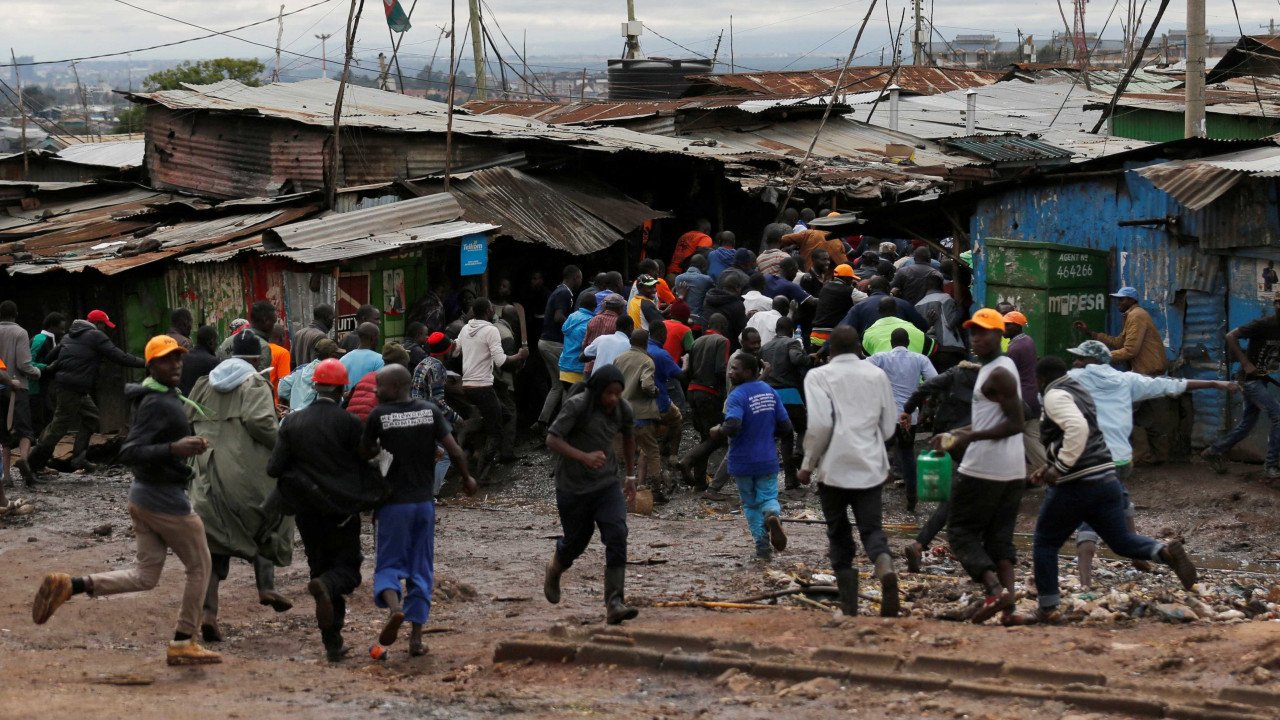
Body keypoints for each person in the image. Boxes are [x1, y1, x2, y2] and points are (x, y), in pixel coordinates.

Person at [31, 335, 220, 666]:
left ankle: (71, 585)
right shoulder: (157, 402)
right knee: (201, 566)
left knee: (146, 576)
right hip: (165, 500)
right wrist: (174, 449)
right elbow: (130, 451)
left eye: (177, 358)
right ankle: (182, 642)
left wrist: (179, 447)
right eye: (166, 359)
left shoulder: (160, 395)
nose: (175, 364)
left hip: (145, 496)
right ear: (151, 365)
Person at [1017, 356, 1199, 625]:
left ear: (1042, 380)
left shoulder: (1055, 395)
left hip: (1077, 485)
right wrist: (1048, 468)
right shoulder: (1080, 391)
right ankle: (1164, 552)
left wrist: (1060, 468)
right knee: (1121, 541)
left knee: (1045, 542)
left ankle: (1048, 608)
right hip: (1107, 478)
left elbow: (1076, 429)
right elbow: (1081, 435)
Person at [1067, 339, 1238, 585]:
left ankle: (1084, 584)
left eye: (1080, 358)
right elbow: (1168, 386)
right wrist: (1214, 382)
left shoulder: (1074, 379)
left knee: (1090, 513)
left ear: (1089, 361)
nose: (1076, 361)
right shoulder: (1127, 380)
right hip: (1121, 460)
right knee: (1119, 496)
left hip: (1091, 459)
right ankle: (1138, 556)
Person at [187, 330, 292, 643]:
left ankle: (208, 614)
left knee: (213, 542)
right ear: (258, 359)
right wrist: (284, 447)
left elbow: (187, 416)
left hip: (206, 471)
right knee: (269, 520)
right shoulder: (255, 383)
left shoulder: (204, 383)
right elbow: (261, 422)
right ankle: (267, 586)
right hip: (244, 471)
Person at [363, 364, 475, 656]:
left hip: (392, 506)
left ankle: (395, 609)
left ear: (397, 386)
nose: (375, 390)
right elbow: (453, 449)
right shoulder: (430, 411)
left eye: (380, 386)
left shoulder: (379, 416)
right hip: (424, 504)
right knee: (420, 569)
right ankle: (415, 639)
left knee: (388, 565)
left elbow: (364, 453)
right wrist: (467, 478)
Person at [267, 358, 369, 661]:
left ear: (314, 385)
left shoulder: (292, 422)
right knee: (347, 571)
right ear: (342, 389)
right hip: (341, 511)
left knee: (320, 567)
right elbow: (364, 461)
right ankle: (325, 591)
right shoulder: (349, 423)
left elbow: (274, 468)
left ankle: (332, 643)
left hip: (306, 512)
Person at [932, 308, 1025, 625]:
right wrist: (957, 433)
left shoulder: (999, 372)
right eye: (974, 332)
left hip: (984, 468)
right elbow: (991, 418)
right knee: (999, 540)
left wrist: (969, 439)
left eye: (984, 332)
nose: (976, 338)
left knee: (960, 533)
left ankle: (994, 590)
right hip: (1011, 470)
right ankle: (1008, 609)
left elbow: (1016, 423)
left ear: (1000, 335)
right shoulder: (998, 367)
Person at [801, 325, 899, 615]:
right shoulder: (877, 374)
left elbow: (820, 425)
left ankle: (849, 607)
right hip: (870, 466)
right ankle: (884, 566)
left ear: (830, 350)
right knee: (871, 529)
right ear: (859, 348)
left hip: (834, 468)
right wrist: (871, 445)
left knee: (838, 531)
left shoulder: (818, 376)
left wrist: (807, 464)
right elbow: (888, 425)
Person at [542, 364, 639, 624]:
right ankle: (555, 568)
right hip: (572, 487)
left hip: (607, 485)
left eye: (618, 393)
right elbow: (552, 439)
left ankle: (614, 602)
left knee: (617, 534)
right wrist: (583, 457)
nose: (614, 399)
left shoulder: (622, 409)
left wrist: (630, 476)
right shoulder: (578, 405)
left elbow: (629, 437)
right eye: (609, 393)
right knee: (576, 542)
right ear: (597, 391)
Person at [29, 310, 145, 474]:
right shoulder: (96, 336)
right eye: (105, 325)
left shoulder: (70, 335)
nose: (105, 329)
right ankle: (33, 463)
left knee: (91, 417)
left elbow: (49, 358)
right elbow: (119, 356)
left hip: (72, 386)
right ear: (98, 324)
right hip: (70, 387)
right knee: (59, 426)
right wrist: (146, 363)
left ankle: (78, 458)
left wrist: (61, 364)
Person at [901, 359, 982, 572]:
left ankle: (929, 543)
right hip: (972, 438)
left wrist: (908, 410)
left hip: (946, 435)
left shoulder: (953, 373)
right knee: (964, 493)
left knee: (965, 491)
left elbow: (923, 388)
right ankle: (923, 543)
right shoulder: (989, 378)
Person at [1073, 286, 1171, 463]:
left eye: (1123, 299)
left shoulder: (1136, 316)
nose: (1119, 302)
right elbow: (1119, 342)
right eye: (1118, 299)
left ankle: (1139, 452)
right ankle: (1156, 454)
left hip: (1147, 374)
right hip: (1147, 373)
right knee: (1147, 417)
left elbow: (1130, 350)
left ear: (1132, 300)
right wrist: (1091, 333)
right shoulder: (1132, 316)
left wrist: (1098, 358)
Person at [715, 353, 792, 560]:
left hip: (742, 461)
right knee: (768, 497)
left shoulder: (737, 395)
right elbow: (786, 427)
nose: (730, 372)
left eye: (735, 369)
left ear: (748, 372)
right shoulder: (770, 392)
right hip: (767, 459)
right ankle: (772, 515)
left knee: (750, 505)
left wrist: (718, 430)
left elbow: (733, 425)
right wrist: (767, 435)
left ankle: (762, 546)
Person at [1203, 292, 1280, 479]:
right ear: (1277, 305)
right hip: (1249, 379)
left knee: (1247, 424)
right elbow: (1231, 336)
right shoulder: (1263, 324)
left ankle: (1213, 451)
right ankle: (1270, 465)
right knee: (1278, 416)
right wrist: (1245, 362)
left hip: (1261, 379)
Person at [869, 328, 937, 512]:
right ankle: (911, 497)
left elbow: (861, 369)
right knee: (907, 455)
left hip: (887, 417)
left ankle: (872, 497)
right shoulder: (920, 359)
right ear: (908, 342)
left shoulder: (881, 358)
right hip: (909, 418)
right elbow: (934, 380)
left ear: (892, 342)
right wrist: (920, 390)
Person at [458, 297, 529, 465]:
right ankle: (481, 470)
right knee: (496, 431)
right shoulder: (491, 331)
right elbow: (501, 361)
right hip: (483, 386)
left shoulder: (465, 329)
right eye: (491, 308)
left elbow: (455, 350)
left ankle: (474, 427)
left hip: (468, 385)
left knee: (504, 415)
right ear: (489, 311)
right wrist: (519, 355)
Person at [679, 314, 730, 489]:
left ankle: (700, 482)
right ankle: (688, 460)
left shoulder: (697, 341)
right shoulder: (722, 341)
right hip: (709, 392)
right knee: (716, 438)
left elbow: (690, 370)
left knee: (705, 437)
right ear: (723, 325)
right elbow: (720, 369)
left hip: (693, 391)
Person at [613, 329, 664, 499]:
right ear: (646, 343)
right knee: (651, 451)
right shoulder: (647, 361)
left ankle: (622, 492)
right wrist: (655, 391)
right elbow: (647, 385)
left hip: (620, 414)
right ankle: (656, 490)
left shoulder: (619, 359)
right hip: (641, 416)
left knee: (622, 456)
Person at [760, 316, 809, 490]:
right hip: (790, 395)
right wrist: (807, 358)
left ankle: (790, 480)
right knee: (803, 428)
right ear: (790, 330)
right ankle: (800, 453)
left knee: (785, 436)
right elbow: (796, 359)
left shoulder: (764, 347)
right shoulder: (792, 342)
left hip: (770, 396)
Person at [535, 265, 581, 431]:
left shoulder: (559, 291)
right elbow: (558, 316)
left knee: (557, 385)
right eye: (579, 278)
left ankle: (542, 422)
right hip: (554, 343)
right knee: (567, 381)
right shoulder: (564, 293)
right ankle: (563, 426)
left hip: (545, 343)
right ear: (575, 277)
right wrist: (574, 327)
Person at [0, 301, 41, 484]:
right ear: (16, 313)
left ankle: (6, 477)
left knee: (4, 434)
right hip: (17, 387)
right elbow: (24, 364)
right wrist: (38, 372)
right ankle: (24, 462)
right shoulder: (20, 332)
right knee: (25, 431)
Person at [1003, 310, 1045, 476]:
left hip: (1022, 399)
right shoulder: (1028, 341)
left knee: (1013, 438)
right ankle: (1046, 470)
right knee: (1032, 438)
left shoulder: (1015, 347)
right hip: (1034, 396)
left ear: (1015, 326)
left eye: (1006, 325)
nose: (1003, 328)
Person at [841, 277, 929, 337]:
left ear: (868, 291)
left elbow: (843, 330)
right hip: (900, 353)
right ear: (888, 289)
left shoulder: (859, 307)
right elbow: (922, 327)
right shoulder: (904, 304)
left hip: (869, 354)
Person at [278, 338, 345, 413]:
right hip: (314, 418)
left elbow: (282, 388)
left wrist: (295, 401)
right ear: (331, 355)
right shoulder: (329, 373)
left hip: (294, 416)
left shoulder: (302, 369)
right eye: (337, 355)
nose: (338, 358)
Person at [915, 273, 965, 372]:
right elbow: (951, 322)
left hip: (929, 349)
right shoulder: (946, 299)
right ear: (941, 285)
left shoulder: (917, 305)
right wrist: (960, 309)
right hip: (948, 348)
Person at [28, 311, 65, 438]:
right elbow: (28, 363)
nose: (63, 332)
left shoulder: (51, 341)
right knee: (39, 424)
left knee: (48, 419)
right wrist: (47, 368)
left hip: (42, 389)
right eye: (61, 329)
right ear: (52, 327)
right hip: (33, 389)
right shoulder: (40, 339)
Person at [861, 297, 932, 356]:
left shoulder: (868, 333)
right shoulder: (912, 328)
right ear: (896, 310)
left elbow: (866, 356)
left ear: (878, 311)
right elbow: (931, 347)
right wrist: (929, 323)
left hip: (883, 372)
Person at [217, 301, 276, 369]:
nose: (274, 327)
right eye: (274, 322)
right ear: (265, 321)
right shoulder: (263, 346)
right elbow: (261, 377)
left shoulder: (226, 343)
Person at [811, 264, 858, 349]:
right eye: (851, 279)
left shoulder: (825, 288)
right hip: (833, 335)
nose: (852, 281)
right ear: (847, 278)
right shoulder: (850, 291)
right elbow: (867, 300)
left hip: (815, 334)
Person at [558, 291, 598, 387]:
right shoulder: (591, 322)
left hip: (564, 369)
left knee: (569, 399)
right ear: (595, 306)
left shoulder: (571, 317)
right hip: (578, 370)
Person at [703, 271, 748, 350]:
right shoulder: (737, 304)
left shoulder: (708, 299)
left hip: (705, 341)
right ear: (737, 288)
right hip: (727, 346)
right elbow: (741, 330)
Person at [674, 254, 715, 331]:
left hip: (680, 320)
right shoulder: (706, 280)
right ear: (703, 266)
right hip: (697, 321)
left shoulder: (678, 278)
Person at [339, 322, 385, 391]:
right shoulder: (379, 359)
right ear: (373, 338)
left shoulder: (343, 360)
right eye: (378, 336)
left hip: (348, 401)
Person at [781, 226, 848, 270]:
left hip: (800, 273)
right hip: (819, 282)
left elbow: (784, 239)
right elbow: (846, 267)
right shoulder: (837, 244)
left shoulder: (809, 233)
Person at [291, 304, 335, 369]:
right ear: (328, 318)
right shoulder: (320, 336)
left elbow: (292, 363)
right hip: (311, 378)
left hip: (299, 377)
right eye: (332, 319)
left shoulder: (299, 333)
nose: (333, 323)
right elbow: (317, 366)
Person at [180, 326, 220, 396]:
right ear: (211, 341)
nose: (217, 344)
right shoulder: (213, 362)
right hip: (199, 404)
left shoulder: (184, 356)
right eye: (216, 340)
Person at [267, 324, 291, 401]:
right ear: (281, 337)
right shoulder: (283, 353)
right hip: (275, 403)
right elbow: (284, 382)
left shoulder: (261, 349)